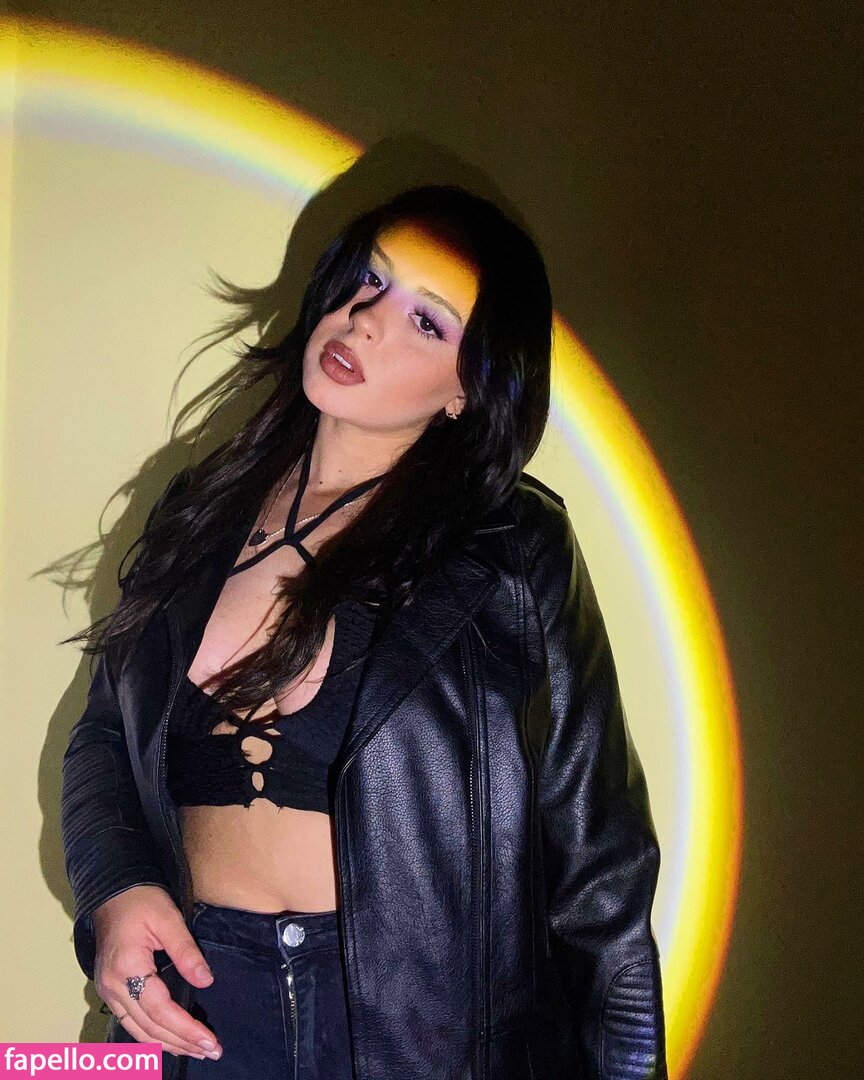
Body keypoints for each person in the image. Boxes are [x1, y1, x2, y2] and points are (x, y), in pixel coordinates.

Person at [61, 184, 668, 1080]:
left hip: (417, 1037)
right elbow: (105, 737)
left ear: (468, 390)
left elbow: (602, 875)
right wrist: (116, 889)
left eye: (427, 322)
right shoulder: (199, 510)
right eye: (371, 280)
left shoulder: (511, 554)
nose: (366, 321)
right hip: (195, 1011)